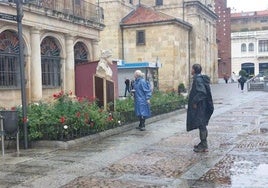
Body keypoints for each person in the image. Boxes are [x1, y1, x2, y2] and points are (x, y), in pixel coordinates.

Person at [186, 64, 214, 152]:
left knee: (201, 125)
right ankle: (203, 143)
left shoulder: (198, 79)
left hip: (201, 106)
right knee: (202, 125)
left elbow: (202, 92)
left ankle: (204, 145)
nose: (191, 70)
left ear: (194, 70)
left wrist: (194, 101)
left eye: (191, 68)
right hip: (203, 105)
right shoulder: (200, 78)